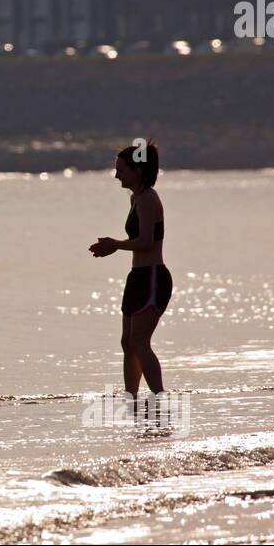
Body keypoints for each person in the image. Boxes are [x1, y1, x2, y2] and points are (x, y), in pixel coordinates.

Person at [89, 142, 170, 403]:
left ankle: (160, 397)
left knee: (140, 341)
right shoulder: (135, 198)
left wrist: (115, 244)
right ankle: (131, 398)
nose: (116, 175)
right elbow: (137, 240)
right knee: (127, 342)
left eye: (121, 170)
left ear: (138, 170)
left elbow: (146, 241)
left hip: (153, 278)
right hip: (137, 276)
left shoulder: (148, 198)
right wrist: (115, 246)